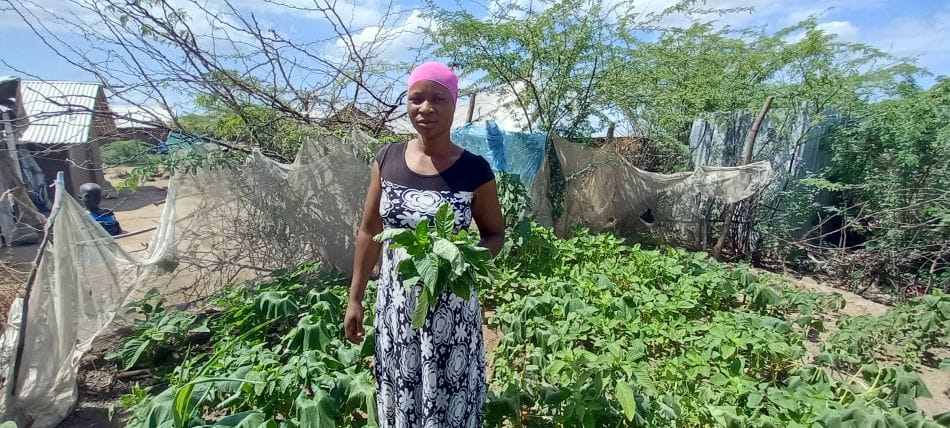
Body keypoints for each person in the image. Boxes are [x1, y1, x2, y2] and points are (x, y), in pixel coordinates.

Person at [343, 61, 505, 427]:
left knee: (450, 394)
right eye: (416, 99)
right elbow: (369, 231)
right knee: (402, 389)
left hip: (452, 305)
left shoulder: (474, 170)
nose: (425, 108)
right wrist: (354, 298)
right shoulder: (388, 160)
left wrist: (463, 261)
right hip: (397, 307)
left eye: (438, 99)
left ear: (454, 104)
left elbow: (495, 233)